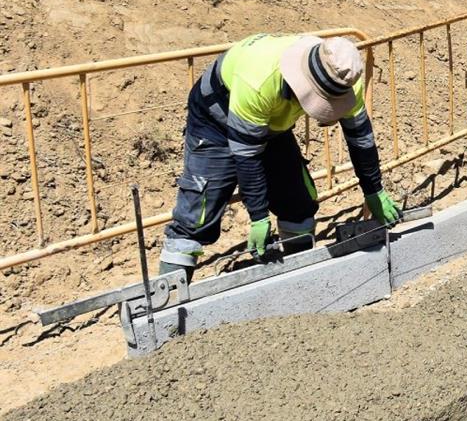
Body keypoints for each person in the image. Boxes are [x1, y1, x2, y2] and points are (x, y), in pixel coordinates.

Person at [159, 33, 400, 278]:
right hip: (215, 121)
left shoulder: (346, 77)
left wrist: (374, 190)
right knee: (197, 216)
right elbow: (247, 156)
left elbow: (360, 139)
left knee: (298, 203)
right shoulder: (259, 80)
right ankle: (167, 305)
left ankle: (299, 278)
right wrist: (259, 217)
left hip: (271, 124)